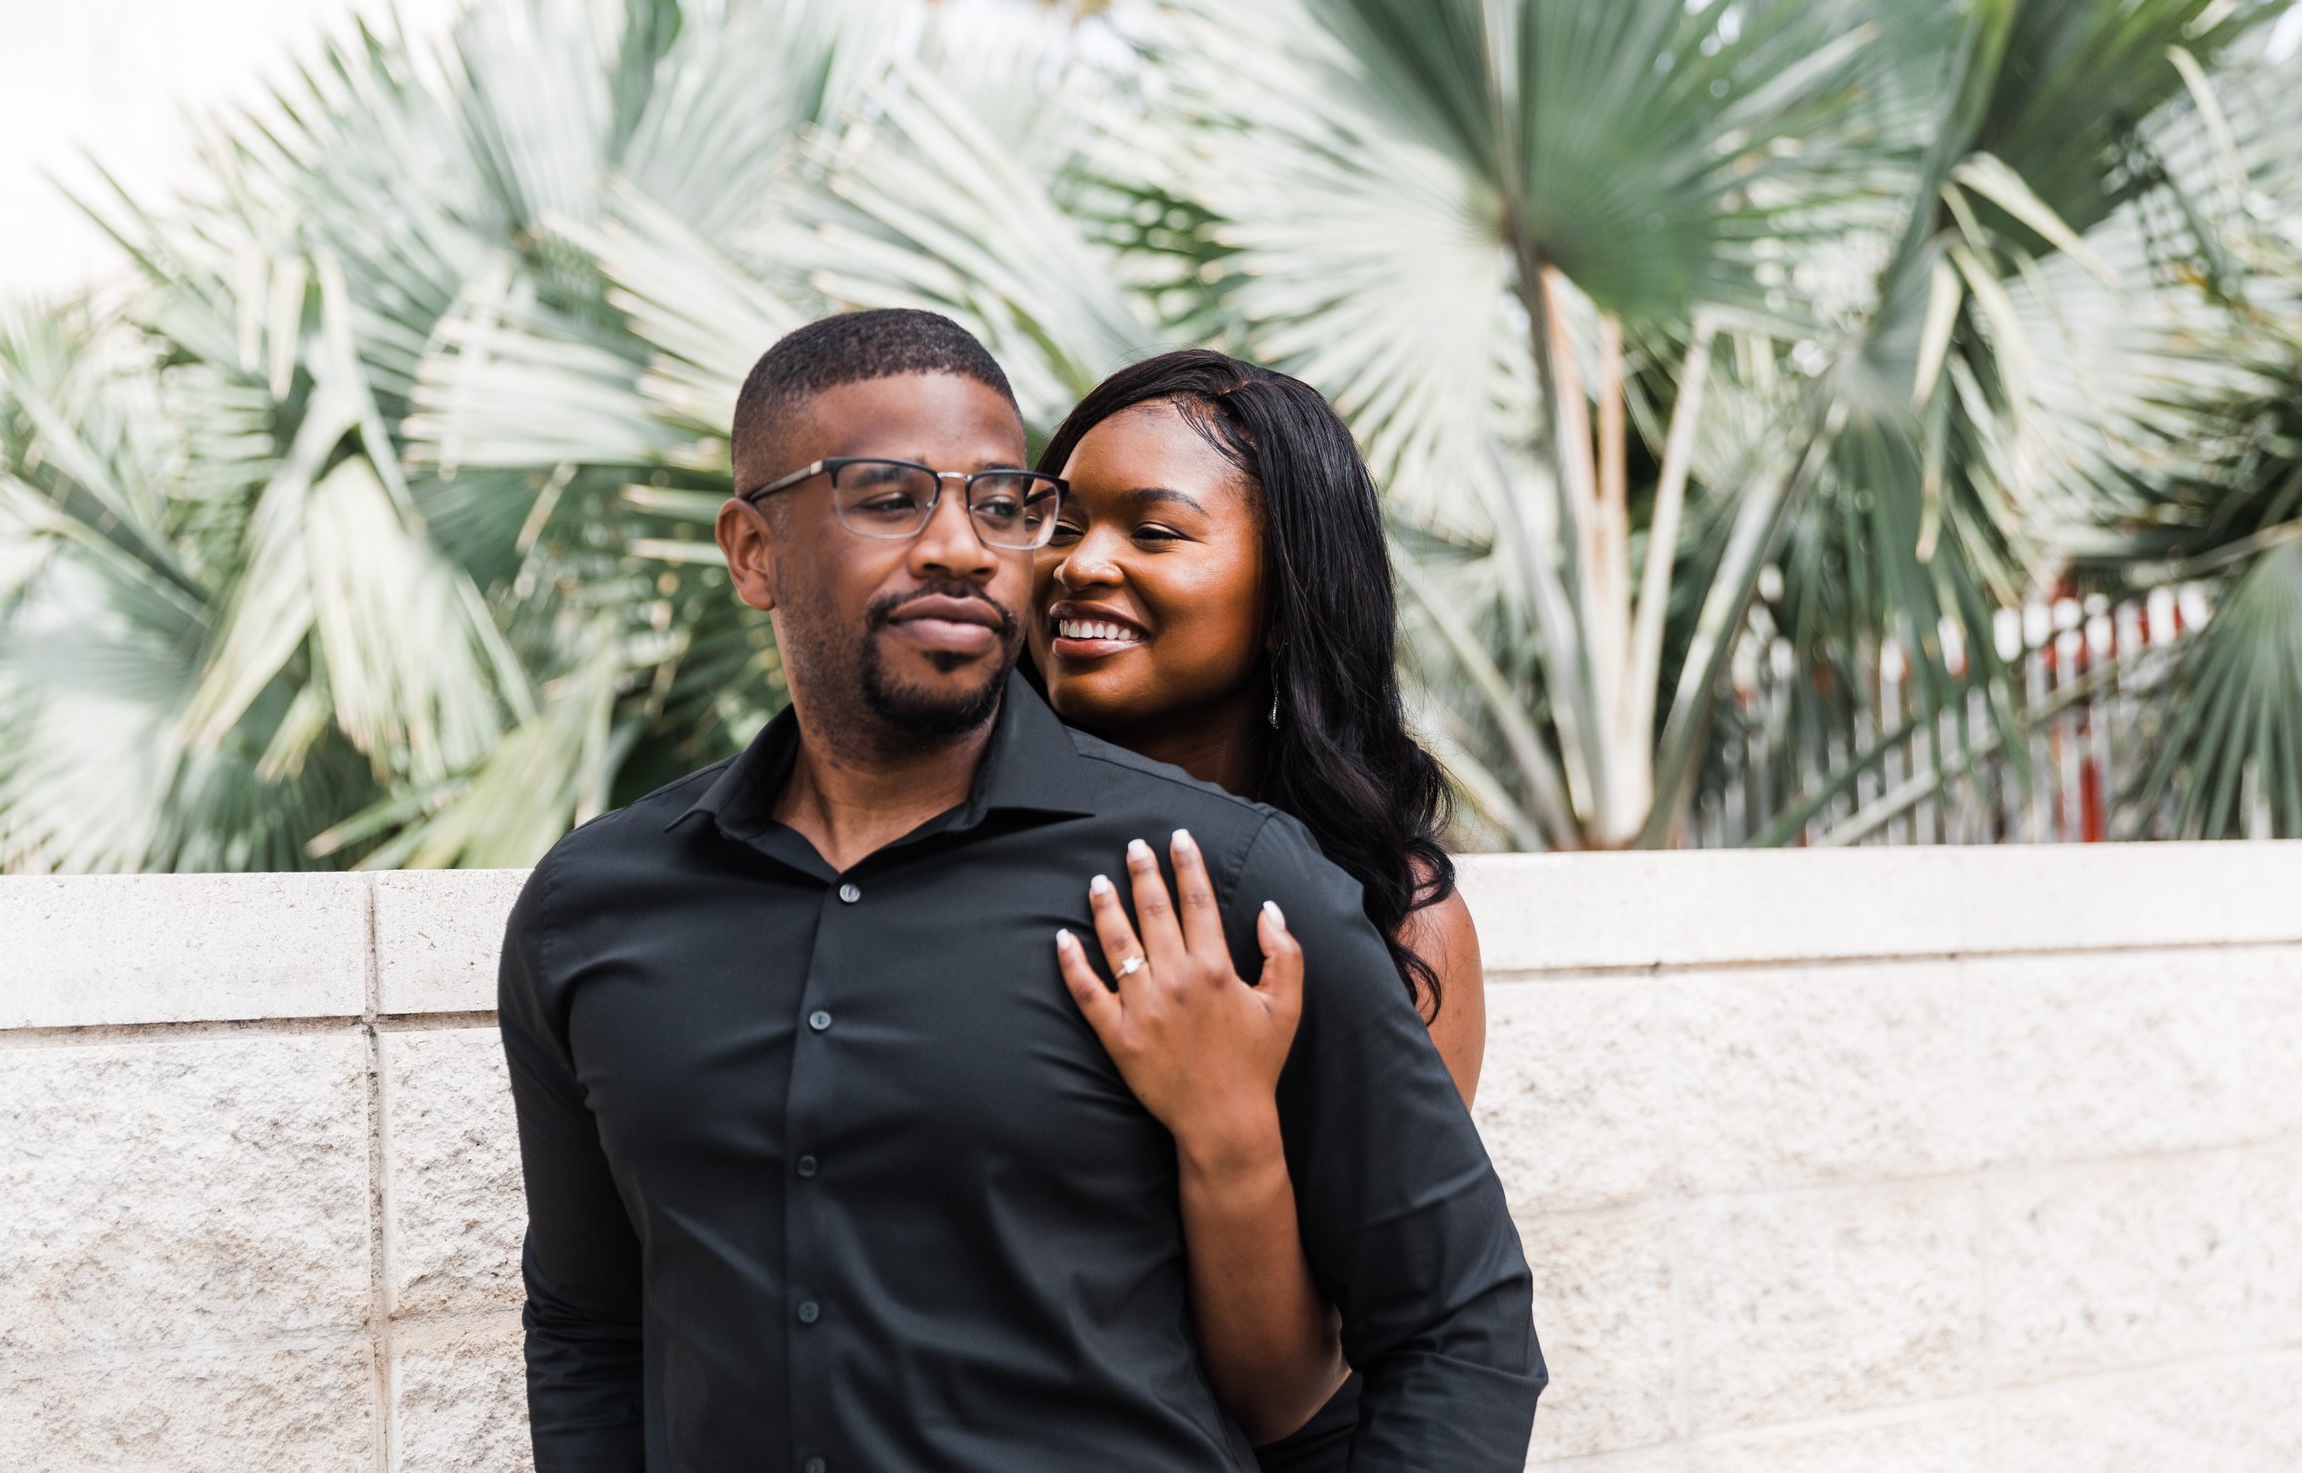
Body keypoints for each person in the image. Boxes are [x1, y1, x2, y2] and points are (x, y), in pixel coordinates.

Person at [498, 309, 1543, 1473]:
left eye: (998, 502)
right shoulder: (593, 903)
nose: (969, 546)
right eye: (889, 495)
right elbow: (590, 1325)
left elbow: (1430, 1335)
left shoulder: (1276, 887)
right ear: (751, 550)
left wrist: (1226, 1118)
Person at [1026, 351, 1486, 1467]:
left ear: (1285, 602)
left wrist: (1223, 1115)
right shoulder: (926, 853)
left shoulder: (1394, 921)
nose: (1082, 565)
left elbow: (1295, 1386)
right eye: (1060, 520)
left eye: (1156, 531)